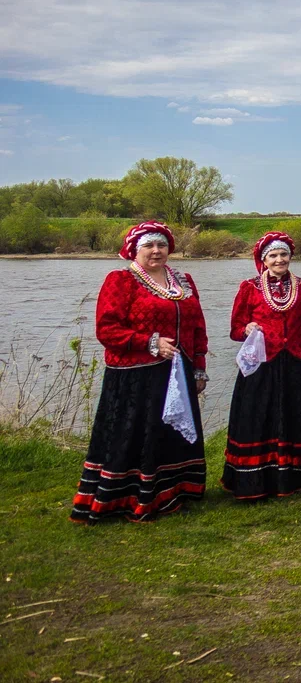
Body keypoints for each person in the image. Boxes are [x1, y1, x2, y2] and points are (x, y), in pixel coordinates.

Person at [71, 222, 208, 523]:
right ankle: (133, 496)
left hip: (178, 370)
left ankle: (176, 491)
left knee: (171, 435)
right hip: (136, 375)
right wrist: (149, 342)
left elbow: (197, 325)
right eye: (149, 246)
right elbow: (107, 329)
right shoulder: (120, 280)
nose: (156, 251)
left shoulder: (183, 280)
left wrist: (199, 365)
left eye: (161, 245)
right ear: (135, 249)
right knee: (139, 435)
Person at [221, 232, 301, 500]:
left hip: (295, 362)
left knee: (294, 417)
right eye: (273, 256)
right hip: (261, 364)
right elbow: (234, 329)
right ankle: (254, 481)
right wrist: (247, 328)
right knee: (256, 417)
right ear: (264, 260)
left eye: (284, 255)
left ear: (290, 257)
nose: (280, 259)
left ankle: (294, 478)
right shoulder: (249, 288)